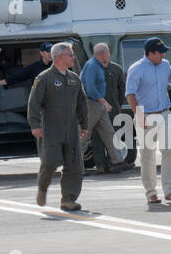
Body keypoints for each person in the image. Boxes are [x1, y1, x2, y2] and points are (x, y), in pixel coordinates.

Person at [27, 43, 89, 212]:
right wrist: (35, 125)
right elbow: (34, 103)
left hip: (71, 129)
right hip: (50, 129)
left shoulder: (74, 78)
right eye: (70, 55)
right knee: (50, 162)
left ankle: (68, 199)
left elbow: (82, 103)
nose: (73, 58)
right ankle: (42, 187)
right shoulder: (44, 78)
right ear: (60, 57)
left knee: (75, 165)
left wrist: (84, 124)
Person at [125, 37, 171, 203]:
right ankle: (151, 193)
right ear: (150, 53)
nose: (163, 54)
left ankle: (169, 190)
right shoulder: (136, 69)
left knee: (169, 152)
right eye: (160, 52)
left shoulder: (165, 65)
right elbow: (130, 94)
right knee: (147, 155)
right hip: (146, 115)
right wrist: (139, 115)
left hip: (164, 113)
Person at [80, 43, 131, 174]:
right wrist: (104, 102)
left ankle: (117, 161)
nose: (109, 54)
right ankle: (75, 166)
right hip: (92, 104)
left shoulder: (101, 66)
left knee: (109, 134)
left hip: (100, 105)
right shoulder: (92, 66)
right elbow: (90, 88)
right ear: (103, 53)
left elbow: (120, 88)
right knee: (86, 136)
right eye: (108, 52)